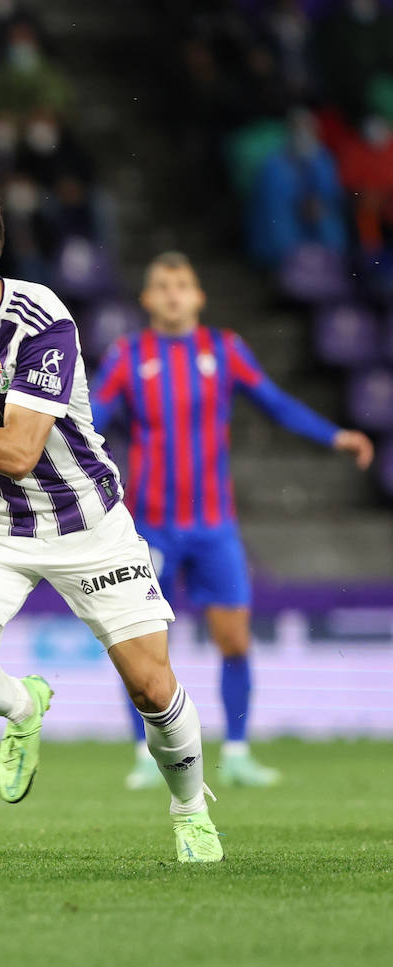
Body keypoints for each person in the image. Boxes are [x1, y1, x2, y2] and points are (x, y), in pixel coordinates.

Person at [0, 185, 223, 863]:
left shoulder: (41, 321)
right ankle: (23, 707)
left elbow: (20, 451)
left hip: (84, 520)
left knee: (152, 686)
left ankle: (188, 807)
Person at [92, 251, 373, 789]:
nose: (174, 293)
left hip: (214, 526)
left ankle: (238, 752)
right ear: (148, 299)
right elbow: (96, 420)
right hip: (150, 527)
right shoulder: (128, 356)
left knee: (236, 641)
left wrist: (334, 435)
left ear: (198, 296)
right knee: (141, 647)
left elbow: (275, 403)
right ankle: (145, 755)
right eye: (163, 285)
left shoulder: (223, 350)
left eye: (183, 284)